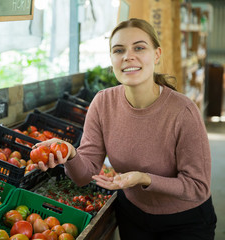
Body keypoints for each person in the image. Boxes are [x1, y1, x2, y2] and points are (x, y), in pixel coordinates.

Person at [34, 18, 217, 240]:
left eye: (139, 47)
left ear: (156, 54)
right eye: (118, 50)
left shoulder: (183, 111)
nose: (128, 56)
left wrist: (144, 179)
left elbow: (197, 186)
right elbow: (83, 176)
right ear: (112, 60)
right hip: (133, 216)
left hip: (185, 221)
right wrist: (70, 153)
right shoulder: (102, 103)